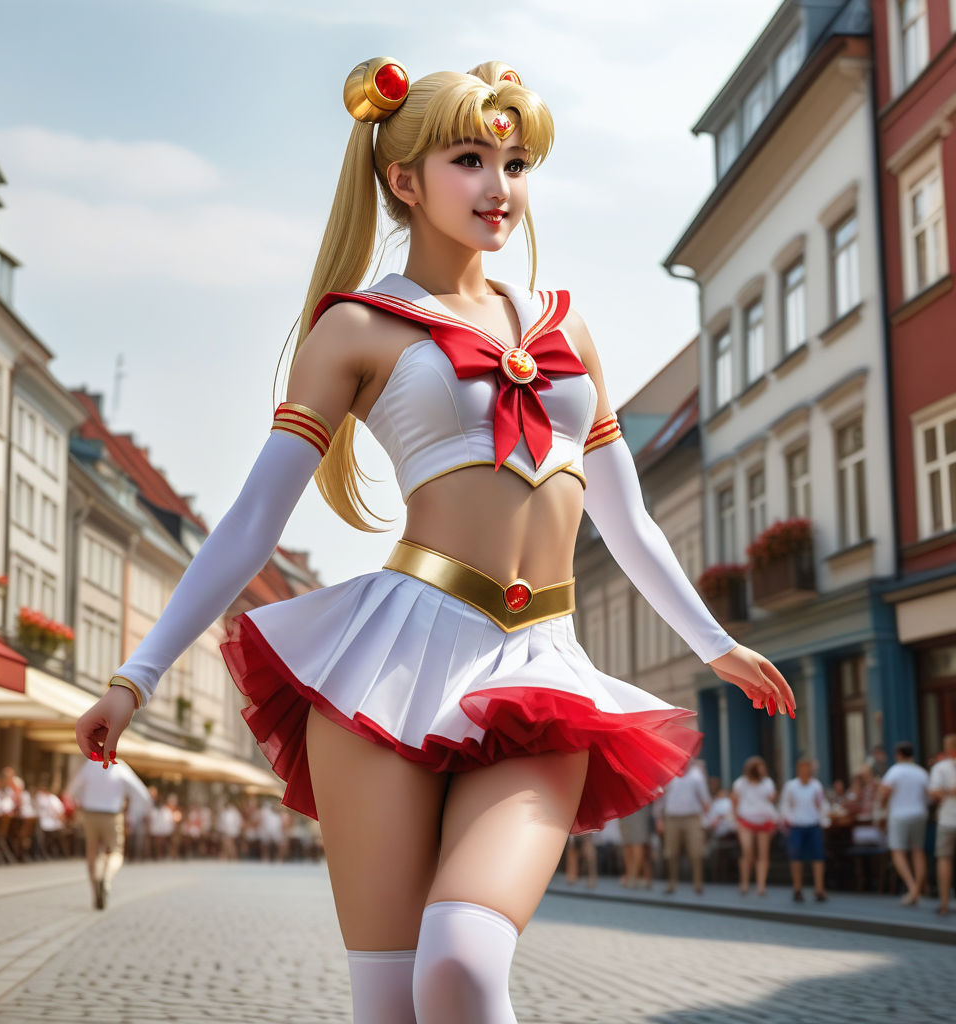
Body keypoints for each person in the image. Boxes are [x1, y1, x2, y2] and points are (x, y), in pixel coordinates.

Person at [74, 58, 796, 1022]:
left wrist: (714, 642)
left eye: (515, 162)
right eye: (471, 159)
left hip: (541, 670)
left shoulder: (566, 329)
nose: (500, 188)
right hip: (389, 671)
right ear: (403, 178)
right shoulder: (357, 328)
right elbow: (254, 519)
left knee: (460, 965)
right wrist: (138, 675)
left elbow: (625, 515)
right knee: (390, 1003)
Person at [67, 754, 152, 909]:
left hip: (90, 814)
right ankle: (106, 878)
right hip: (112, 815)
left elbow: (73, 790)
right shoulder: (119, 767)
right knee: (115, 851)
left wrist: (81, 803)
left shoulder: (90, 765)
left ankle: (95, 891)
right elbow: (142, 795)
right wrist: (132, 817)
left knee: (92, 853)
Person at [880, 741, 930, 906]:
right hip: (919, 813)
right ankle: (917, 888)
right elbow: (928, 795)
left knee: (898, 851)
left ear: (899, 754)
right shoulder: (921, 772)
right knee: (918, 850)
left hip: (900, 814)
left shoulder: (895, 771)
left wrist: (882, 805)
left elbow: (884, 793)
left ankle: (912, 887)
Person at [656, 758, 710, 895]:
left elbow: (705, 799)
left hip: (692, 818)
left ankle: (698, 883)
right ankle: (671, 883)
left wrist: (705, 820)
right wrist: (659, 819)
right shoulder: (669, 774)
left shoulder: (697, 775)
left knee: (696, 851)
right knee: (671, 852)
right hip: (672, 817)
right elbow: (661, 799)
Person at [779, 757, 827, 903]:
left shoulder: (816, 786)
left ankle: (819, 889)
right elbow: (785, 804)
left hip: (813, 824)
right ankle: (797, 888)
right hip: (797, 825)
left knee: (818, 856)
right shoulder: (791, 786)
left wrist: (823, 819)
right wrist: (788, 819)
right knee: (796, 857)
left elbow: (821, 804)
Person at [732, 756, 778, 897]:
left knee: (763, 854)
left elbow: (772, 798)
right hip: (746, 820)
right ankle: (745, 882)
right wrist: (736, 819)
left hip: (764, 820)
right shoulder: (741, 783)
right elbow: (734, 800)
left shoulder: (767, 782)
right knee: (747, 851)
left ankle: (761, 885)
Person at [927, 733, 956, 916]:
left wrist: (948, 792)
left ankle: (944, 904)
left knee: (944, 859)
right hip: (946, 818)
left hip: (947, 819)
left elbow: (934, 793)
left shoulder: (940, 767)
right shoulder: (941, 767)